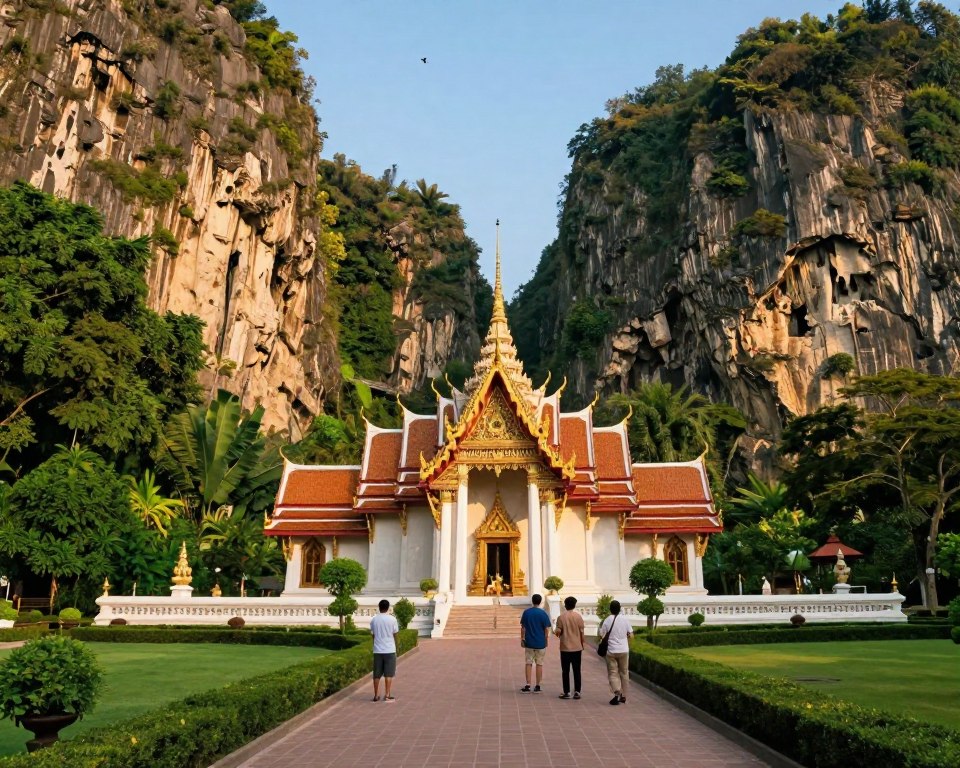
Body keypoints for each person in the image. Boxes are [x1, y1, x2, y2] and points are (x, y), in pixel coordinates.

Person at [597, 599, 633, 705]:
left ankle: (617, 692)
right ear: (620, 608)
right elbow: (631, 635)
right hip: (623, 650)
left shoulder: (607, 620)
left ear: (610, 609)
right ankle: (624, 695)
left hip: (611, 650)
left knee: (613, 673)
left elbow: (601, 634)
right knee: (624, 672)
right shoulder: (625, 620)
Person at [519, 593, 552, 693]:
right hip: (540, 642)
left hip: (529, 641)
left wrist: (522, 638)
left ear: (532, 601)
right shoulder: (543, 613)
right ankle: (538, 685)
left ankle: (528, 685)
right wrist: (546, 640)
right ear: (540, 601)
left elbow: (523, 627)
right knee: (539, 664)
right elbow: (546, 629)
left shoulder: (527, 612)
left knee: (528, 663)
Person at [554, 595, 585, 699]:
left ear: (565, 605)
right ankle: (577, 691)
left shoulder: (561, 617)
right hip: (577, 647)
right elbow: (582, 633)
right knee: (577, 670)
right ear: (574, 605)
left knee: (565, 671)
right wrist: (582, 644)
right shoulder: (578, 617)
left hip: (565, 647)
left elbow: (558, 632)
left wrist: (557, 632)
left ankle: (566, 692)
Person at [370, 598, 399, 702]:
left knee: (376, 674)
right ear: (388, 608)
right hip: (389, 649)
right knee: (389, 673)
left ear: (379, 607)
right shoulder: (392, 619)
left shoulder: (374, 619)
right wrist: (397, 646)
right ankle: (387, 694)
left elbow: (373, 635)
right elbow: (395, 634)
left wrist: (375, 645)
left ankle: (376, 695)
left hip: (378, 649)